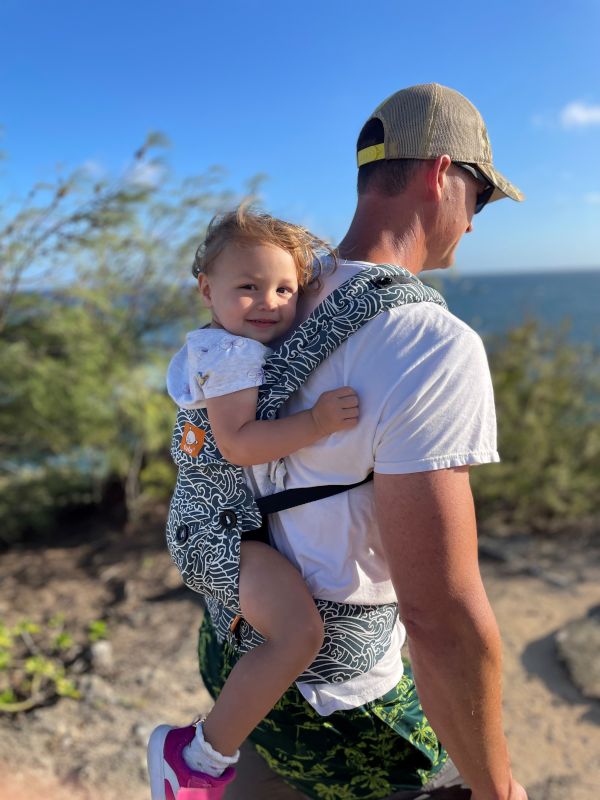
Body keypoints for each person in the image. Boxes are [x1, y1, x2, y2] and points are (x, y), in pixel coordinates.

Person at [161, 83, 530, 800]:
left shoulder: (269, 292)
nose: (475, 225)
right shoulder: (429, 342)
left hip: (239, 649)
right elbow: (438, 615)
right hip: (347, 701)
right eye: (479, 198)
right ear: (438, 173)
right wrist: (499, 788)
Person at [147, 208, 363, 799]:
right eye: (248, 287)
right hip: (216, 532)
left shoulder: (214, 345)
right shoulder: (232, 356)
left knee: (289, 632)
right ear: (206, 291)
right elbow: (239, 443)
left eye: (285, 289)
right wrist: (318, 422)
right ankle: (195, 758)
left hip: (211, 527)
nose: (268, 302)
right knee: (299, 635)